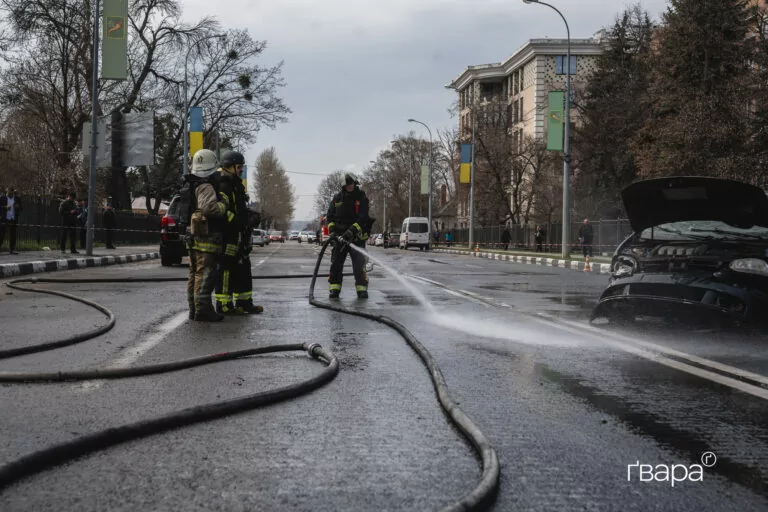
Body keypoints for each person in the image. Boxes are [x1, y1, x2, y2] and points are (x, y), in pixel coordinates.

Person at [186, 149, 230, 322]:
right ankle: (202, 310)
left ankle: (194, 309)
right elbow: (209, 209)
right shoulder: (206, 186)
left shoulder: (192, 184)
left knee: (194, 274)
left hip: (194, 238)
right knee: (205, 275)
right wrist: (224, 205)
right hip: (206, 239)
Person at [213, 150, 255, 315]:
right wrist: (239, 221)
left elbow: (239, 209)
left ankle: (244, 302)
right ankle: (224, 305)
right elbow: (224, 212)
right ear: (229, 166)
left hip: (239, 235)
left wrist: (249, 217)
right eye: (238, 167)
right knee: (226, 270)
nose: (241, 170)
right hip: (228, 235)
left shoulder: (236, 185)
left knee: (242, 269)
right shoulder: (224, 185)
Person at [326, 172, 371, 299]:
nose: (350, 186)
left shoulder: (361, 197)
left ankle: (361, 289)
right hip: (340, 238)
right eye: (347, 184)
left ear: (355, 183)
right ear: (343, 186)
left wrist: (351, 230)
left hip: (356, 238)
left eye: (351, 183)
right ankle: (334, 288)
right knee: (336, 264)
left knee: (358, 266)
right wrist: (332, 231)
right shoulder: (337, 198)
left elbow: (363, 217)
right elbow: (329, 217)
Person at [0, 187, 21, 254]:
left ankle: (12, 249)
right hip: (5, 218)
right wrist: (5, 207)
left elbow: (21, 207)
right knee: (1, 234)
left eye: (12, 193)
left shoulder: (17, 198)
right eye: (10, 193)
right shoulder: (2, 198)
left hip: (13, 219)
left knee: (13, 234)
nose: (11, 194)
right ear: (7, 191)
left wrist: (18, 207)